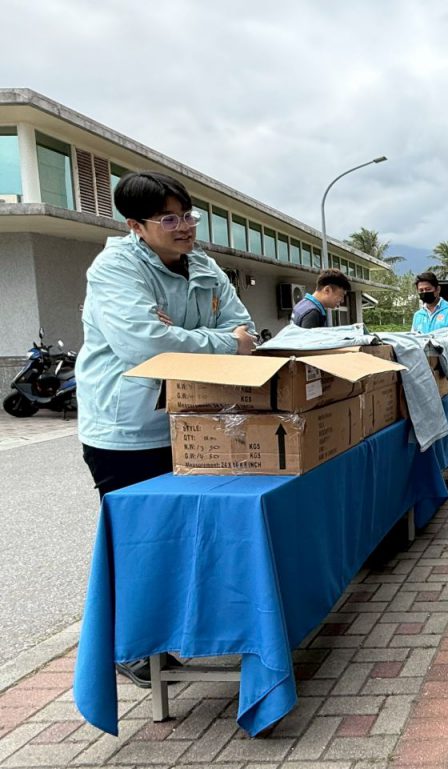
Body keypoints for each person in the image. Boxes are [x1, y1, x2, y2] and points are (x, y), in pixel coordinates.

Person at [77, 171, 255, 687]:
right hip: (128, 429)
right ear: (136, 226)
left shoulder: (204, 265)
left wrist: (182, 336)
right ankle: (129, 646)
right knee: (139, 542)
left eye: (188, 216)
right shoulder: (115, 268)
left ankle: (180, 630)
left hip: (193, 422)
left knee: (189, 537)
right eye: (168, 219)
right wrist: (219, 342)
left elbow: (245, 328)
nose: (185, 228)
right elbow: (145, 346)